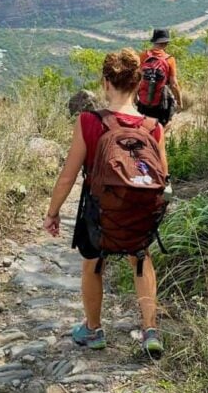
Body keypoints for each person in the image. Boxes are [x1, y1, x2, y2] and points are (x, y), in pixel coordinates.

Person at [43, 48, 166, 358]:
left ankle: (94, 330)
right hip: (138, 214)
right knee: (141, 259)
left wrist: (53, 212)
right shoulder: (153, 128)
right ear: (139, 84)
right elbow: (161, 178)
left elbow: (68, 176)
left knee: (92, 264)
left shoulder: (89, 121)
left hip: (100, 215)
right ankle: (151, 331)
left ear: (106, 83)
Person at [137, 28, 182, 128]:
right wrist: (179, 102)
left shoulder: (143, 56)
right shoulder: (169, 59)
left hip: (143, 101)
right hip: (161, 102)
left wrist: (135, 98)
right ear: (166, 43)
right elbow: (174, 84)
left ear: (154, 42)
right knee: (162, 127)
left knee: (142, 128)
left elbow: (137, 77)